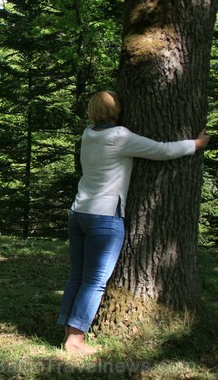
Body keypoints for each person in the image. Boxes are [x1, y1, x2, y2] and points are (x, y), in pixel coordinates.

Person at [58, 91, 209, 355]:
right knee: (94, 281)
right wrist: (196, 144)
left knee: (77, 277)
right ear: (116, 111)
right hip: (104, 217)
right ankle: (75, 341)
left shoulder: (88, 133)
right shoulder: (119, 136)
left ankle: (67, 330)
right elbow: (162, 150)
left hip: (79, 211)